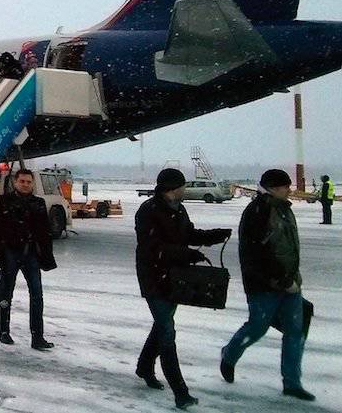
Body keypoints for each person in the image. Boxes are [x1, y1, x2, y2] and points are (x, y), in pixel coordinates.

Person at [134, 168, 230, 410]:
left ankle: (145, 366)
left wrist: (214, 236)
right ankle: (181, 393)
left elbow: (189, 234)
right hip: (154, 278)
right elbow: (151, 246)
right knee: (167, 332)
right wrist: (186, 253)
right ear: (172, 187)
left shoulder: (179, 209)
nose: (185, 189)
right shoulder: (147, 211)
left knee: (162, 325)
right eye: (182, 186)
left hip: (176, 278)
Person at [220, 169, 315, 401]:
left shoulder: (284, 209)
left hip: (290, 282)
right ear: (272, 188)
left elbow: (287, 247)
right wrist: (279, 280)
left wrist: (292, 278)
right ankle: (229, 355)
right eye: (285, 186)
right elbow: (254, 254)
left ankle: (292, 382)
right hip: (264, 285)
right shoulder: (257, 211)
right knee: (257, 327)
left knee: (295, 330)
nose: (289, 190)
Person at [0, 168, 56, 351]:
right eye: (22, 181)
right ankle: (4, 331)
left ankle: (37, 337)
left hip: (31, 254)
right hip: (10, 253)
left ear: (33, 183)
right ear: (15, 182)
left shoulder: (39, 203)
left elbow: (45, 233)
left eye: (28, 182)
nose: (25, 185)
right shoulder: (4, 201)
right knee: (6, 294)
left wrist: (47, 258)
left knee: (37, 295)